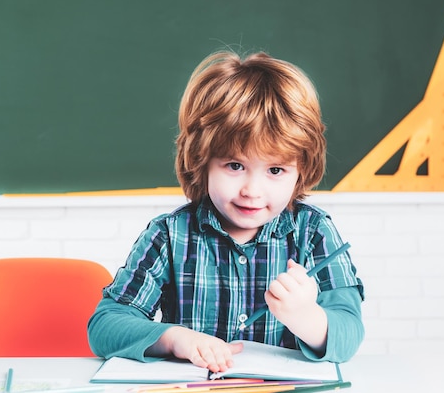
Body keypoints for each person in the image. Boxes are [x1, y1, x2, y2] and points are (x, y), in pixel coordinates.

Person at [87, 50, 365, 372]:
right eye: (235, 165)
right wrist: (176, 338)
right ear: (201, 162)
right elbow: (105, 326)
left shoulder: (313, 232)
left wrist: (306, 317)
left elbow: (350, 334)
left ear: (301, 170)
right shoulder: (169, 235)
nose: (252, 191)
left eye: (275, 171)